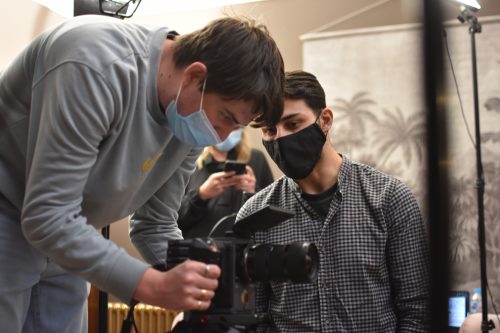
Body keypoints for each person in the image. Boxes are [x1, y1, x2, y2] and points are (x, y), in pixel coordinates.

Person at [0, 14, 284, 332]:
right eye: (225, 117)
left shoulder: (191, 117)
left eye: (235, 126)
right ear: (195, 76)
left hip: (73, 234)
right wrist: (149, 284)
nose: (221, 136)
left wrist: (198, 279)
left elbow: (156, 224)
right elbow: (47, 215)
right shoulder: (95, 64)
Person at [236, 71, 430, 332]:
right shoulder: (256, 215)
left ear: (324, 120)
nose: (280, 137)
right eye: (270, 130)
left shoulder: (389, 199)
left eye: (292, 124)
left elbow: (418, 311)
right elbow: (255, 318)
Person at [178, 128, 274, 238]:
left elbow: (271, 218)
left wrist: (252, 193)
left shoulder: (257, 159)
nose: (228, 130)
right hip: (197, 249)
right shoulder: (191, 161)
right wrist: (200, 195)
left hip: (241, 249)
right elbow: (172, 219)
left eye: (235, 126)